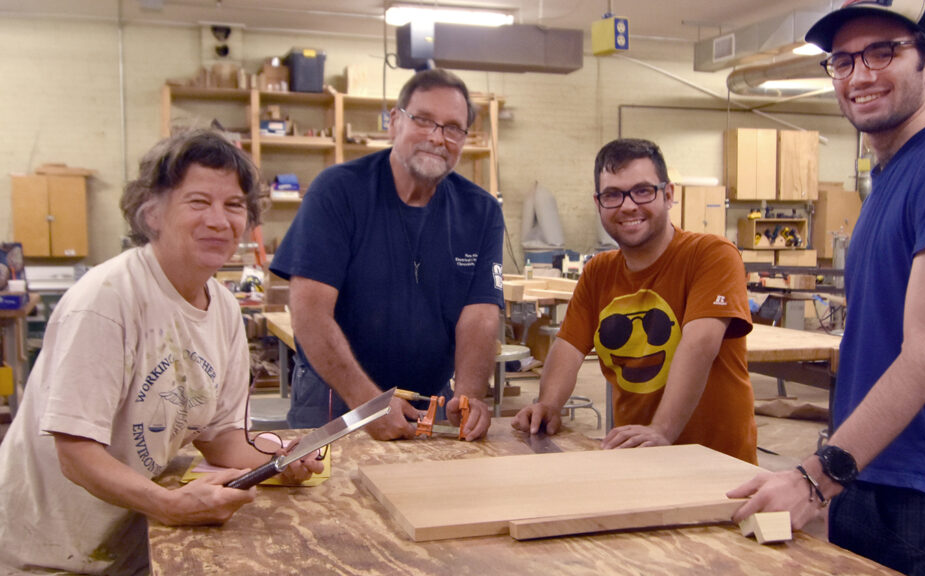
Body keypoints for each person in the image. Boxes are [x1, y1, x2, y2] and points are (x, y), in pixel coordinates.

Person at [729, 2, 925, 574]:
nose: (859, 75)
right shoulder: (891, 175)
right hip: (870, 471)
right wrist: (835, 473)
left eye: (882, 52)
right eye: (843, 60)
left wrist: (814, 478)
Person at [0, 129, 323, 575]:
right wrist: (168, 504)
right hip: (46, 556)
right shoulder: (108, 299)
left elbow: (220, 437)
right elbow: (75, 454)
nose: (219, 220)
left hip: (130, 543)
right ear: (151, 212)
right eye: (198, 202)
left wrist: (280, 458)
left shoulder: (224, 308)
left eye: (234, 205)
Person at [270, 68, 504, 441]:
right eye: (423, 120)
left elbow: (480, 316)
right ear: (394, 121)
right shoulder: (338, 192)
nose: (437, 137)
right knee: (328, 481)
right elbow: (309, 313)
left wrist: (468, 396)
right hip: (336, 394)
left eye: (453, 128)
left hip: (429, 399)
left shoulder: (481, 211)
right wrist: (368, 404)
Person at [513, 138, 758, 463]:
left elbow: (699, 345)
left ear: (668, 195)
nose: (628, 206)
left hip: (718, 467)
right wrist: (548, 405)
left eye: (642, 191)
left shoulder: (711, 255)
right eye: (613, 195)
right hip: (637, 459)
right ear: (598, 203)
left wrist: (662, 430)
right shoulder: (598, 272)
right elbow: (568, 347)